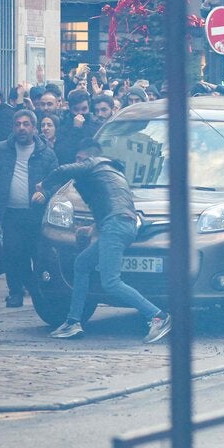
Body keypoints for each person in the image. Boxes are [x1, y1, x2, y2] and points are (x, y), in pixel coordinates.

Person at [37, 143, 172, 343]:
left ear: (88, 158)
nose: (78, 163)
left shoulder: (93, 164)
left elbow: (61, 170)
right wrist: (93, 228)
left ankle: (157, 316)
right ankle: (73, 321)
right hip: (122, 225)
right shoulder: (111, 173)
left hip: (116, 227)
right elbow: (111, 206)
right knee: (82, 264)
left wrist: (43, 184)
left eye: (80, 159)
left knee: (111, 282)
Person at [0, 110, 59, 308]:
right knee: (12, 253)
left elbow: (56, 181)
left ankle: (37, 289)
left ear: (34, 128)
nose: (21, 128)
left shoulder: (46, 153)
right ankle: (15, 292)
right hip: (10, 212)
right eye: (18, 124)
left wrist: (45, 193)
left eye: (26, 124)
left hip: (35, 213)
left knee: (33, 252)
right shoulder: (2, 149)